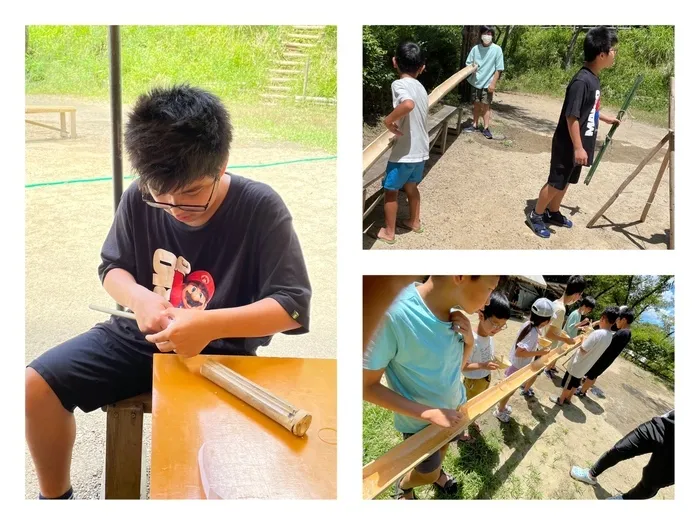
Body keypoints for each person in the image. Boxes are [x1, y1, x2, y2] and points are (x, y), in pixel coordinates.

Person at [25, 85, 312, 500]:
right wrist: (140, 299)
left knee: (205, 471)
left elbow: (292, 306)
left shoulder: (260, 207)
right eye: (161, 195)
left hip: (220, 354)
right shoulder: (140, 196)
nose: (176, 207)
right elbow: (112, 267)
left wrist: (208, 324)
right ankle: (55, 502)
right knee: (34, 388)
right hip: (135, 340)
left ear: (222, 164)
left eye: (193, 193)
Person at [363, 276, 500, 499]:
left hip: (453, 411)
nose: (488, 301)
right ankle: (405, 485)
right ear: (461, 276)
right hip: (420, 424)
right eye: (490, 289)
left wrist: (469, 342)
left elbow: (456, 368)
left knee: (443, 450)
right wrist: (430, 413)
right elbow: (366, 387)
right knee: (425, 472)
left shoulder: (455, 317)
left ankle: (436, 474)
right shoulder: (395, 314)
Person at [526, 26, 621, 238]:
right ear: (602, 54)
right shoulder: (582, 81)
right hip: (568, 143)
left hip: (581, 143)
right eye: (613, 50)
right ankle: (536, 214)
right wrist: (577, 147)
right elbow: (572, 116)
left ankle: (553, 211)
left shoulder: (594, 79)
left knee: (568, 179)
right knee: (556, 181)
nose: (615, 54)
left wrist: (606, 119)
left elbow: (591, 109)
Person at [376, 41, 429, 245]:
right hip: (421, 150)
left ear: (394, 62)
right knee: (412, 187)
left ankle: (389, 232)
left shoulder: (399, 84)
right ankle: (414, 222)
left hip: (405, 153)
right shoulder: (422, 88)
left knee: (391, 191)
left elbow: (407, 104)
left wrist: (388, 120)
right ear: (422, 67)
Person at [570, 410, 674, 499]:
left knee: (651, 482)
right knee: (619, 449)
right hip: (663, 425)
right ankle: (590, 474)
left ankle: (625, 500)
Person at [457, 292, 511, 441]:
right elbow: (463, 366)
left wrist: (493, 362)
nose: (497, 329)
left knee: (478, 403)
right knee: (465, 406)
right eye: (495, 324)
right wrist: (483, 364)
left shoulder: (489, 335)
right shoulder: (471, 339)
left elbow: (486, 353)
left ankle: (471, 421)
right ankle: (460, 433)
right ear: (481, 316)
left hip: (484, 378)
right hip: (473, 382)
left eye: (502, 326)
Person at [493, 298, 554, 423]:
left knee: (509, 388)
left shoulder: (530, 325)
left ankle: (502, 407)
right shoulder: (532, 332)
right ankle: (499, 411)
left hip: (516, 364)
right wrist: (540, 352)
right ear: (546, 321)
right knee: (509, 390)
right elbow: (519, 352)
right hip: (516, 366)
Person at [550, 306, 619, 406]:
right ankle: (568, 399)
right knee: (575, 383)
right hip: (587, 365)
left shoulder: (597, 333)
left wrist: (583, 338)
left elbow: (583, 349)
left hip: (578, 363)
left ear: (603, 318)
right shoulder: (609, 336)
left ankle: (560, 400)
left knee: (568, 383)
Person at [576, 306, 634, 397]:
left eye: (618, 319)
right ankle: (584, 389)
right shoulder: (627, 332)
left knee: (592, 375)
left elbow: (609, 345)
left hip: (604, 358)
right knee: (594, 375)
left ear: (624, 320)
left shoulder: (622, 333)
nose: (616, 321)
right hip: (607, 359)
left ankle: (582, 391)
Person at [463, 25, 504, 139]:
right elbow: (469, 63)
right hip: (476, 81)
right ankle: (474, 125)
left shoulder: (497, 49)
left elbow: (499, 68)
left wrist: (493, 84)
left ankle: (486, 128)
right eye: (485, 33)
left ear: (493, 36)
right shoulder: (475, 49)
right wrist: (472, 68)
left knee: (486, 106)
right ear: (481, 35)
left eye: (490, 34)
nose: (487, 36)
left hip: (488, 83)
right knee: (476, 104)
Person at [543, 275, 586, 379]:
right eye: (580, 295)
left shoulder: (555, 302)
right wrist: (566, 340)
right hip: (546, 347)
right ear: (576, 295)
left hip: (543, 344)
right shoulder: (561, 310)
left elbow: (551, 327)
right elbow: (549, 333)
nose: (579, 298)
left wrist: (562, 334)